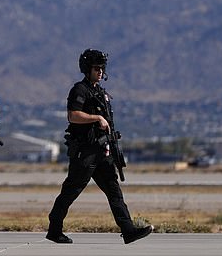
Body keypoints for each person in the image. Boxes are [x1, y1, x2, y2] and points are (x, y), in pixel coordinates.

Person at [46, 49, 153, 245]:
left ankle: (128, 230)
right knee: (72, 190)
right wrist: (97, 118)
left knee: (114, 191)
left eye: (102, 68)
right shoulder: (79, 90)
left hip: (102, 152)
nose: (101, 72)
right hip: (85, 152)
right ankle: (54, 229)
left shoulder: (100, 93)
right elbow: (73, 116)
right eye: (97, 68)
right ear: (87, 69)